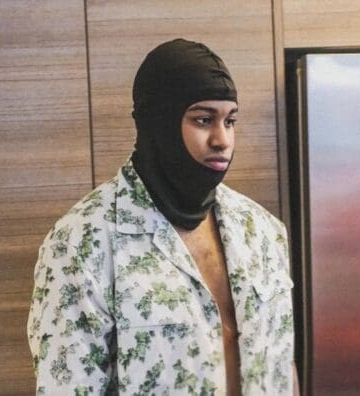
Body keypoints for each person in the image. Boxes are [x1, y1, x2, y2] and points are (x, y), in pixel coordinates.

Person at [27, 38, 295, 395]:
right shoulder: (81, 244)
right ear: (160, 123)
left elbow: (281, 365)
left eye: (230, 121)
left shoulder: (261, 231)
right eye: (203, 120)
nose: (223, 139)